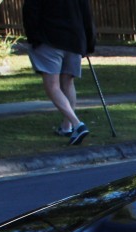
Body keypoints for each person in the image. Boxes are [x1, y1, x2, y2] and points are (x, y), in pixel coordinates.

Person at [22, 0, 95, 145]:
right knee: (68, 83)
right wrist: (89, 43)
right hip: (74, 39)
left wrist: (34, 37)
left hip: (50, 39)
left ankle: (76, 124)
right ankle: (67, 127)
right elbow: (86, 14)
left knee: (52, 86)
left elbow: (31, 10)